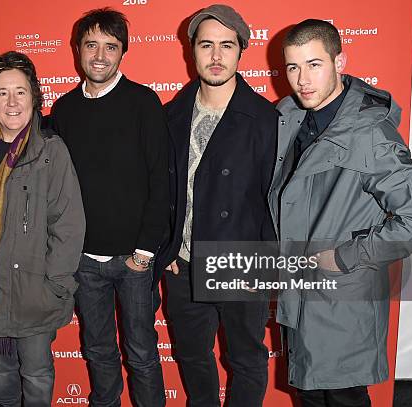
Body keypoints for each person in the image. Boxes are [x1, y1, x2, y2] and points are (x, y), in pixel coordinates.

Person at [269, 19, 412, 407]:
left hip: (343, 298)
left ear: (339, 61)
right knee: (310, 394)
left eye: (315, 64)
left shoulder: (369, 133)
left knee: (343, 396)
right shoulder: (291, 119)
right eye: (293, 67)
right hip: (301, 293)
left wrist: (348, 255)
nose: (302, 80)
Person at [156, 5, 278, 407]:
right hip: (184, 265)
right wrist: (167, 247)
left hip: (239, 264)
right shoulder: (171, 114)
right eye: (206, 45)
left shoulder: (264, 118)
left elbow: (275, 199)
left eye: (227, 45)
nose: (216, 56)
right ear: (191, 51)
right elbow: (160, 189)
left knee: (245, 358)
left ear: (241, 50)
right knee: (192, 356)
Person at [50, 8, 169, 407]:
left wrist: (145, 252)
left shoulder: (143, 102)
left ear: (122, 53)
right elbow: (16, 133)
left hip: (134, 260)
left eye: (110, 47)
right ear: (77, 49)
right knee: (98, 351)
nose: (100, 55)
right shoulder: (64, 110)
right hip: (84, 262)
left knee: (142, 354)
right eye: (92, 45)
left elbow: (161, 179)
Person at [0, 51, 84, 407]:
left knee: (36, 374)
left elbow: (69, 223)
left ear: (35, 96)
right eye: (2, 92)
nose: (13, 101)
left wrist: (56, 284)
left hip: (35, 290)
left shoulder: (51, 150)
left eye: (21, 91)